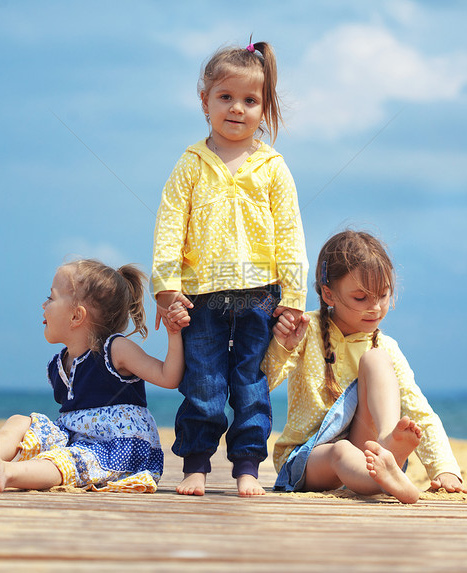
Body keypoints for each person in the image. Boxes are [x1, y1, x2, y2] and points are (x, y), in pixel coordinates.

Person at [151, 39, 308, 497]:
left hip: (262, 295)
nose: (236, 108)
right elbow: (168, 226)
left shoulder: (273, 167)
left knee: (250, 386)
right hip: (201, 295)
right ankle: (196, 465)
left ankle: (246, 467)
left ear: (264, 108)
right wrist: (166, 287)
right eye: (225, 97)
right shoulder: (191, 164)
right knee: (203, 384)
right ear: (205, 101)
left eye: (250, 100)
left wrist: (295, 300)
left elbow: (291, 237)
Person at [0, 259, 188, 493]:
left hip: (116, 449)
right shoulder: (59, 365)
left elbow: (168, 377)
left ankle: (5, 472)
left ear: (76, 316)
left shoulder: (115, 349)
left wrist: (173, 334)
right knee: (22, 421)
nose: (43, 305)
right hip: (74, 439)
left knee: (67, 460)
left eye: (50, 298)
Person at [263, 230, 467, 504]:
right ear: (328, 294)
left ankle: (387, 446)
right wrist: (282, 345)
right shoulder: (305, 330)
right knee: (341, 451)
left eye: (383, 296)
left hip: (369, 452)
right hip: (309, 457)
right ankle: (382, 477)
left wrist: (445, 469)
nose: (375, 308)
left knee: (376, 358)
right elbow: (263, 384)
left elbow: (420, 410)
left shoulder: (385, 346)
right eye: (361, 298)